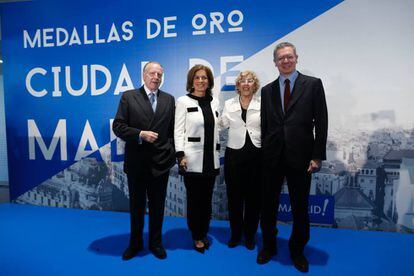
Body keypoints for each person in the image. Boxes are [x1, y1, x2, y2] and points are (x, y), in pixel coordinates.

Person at [257, 42, 328, 273]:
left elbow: (322, 122)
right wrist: (265, 152)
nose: (285, 61)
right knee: (268, 206)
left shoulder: (313, 85)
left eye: (289, 57)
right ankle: (268, 246)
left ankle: (297, 250)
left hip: (302, 157)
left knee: (300, 207)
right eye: (281, 58)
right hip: (272, 158)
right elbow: (266, 125)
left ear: (296, 58)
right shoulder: (267, 90)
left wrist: (317, 156)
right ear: (275, 62)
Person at [113, 61, 176, 261]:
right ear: (144, 75)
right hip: (137, 163)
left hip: (161, 163)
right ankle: (135, 243)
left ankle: (156, 243)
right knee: (137, 207)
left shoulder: (169, 99)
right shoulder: (129, 97)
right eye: (152, 73)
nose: (156, 77)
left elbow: (174, 131)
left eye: (159, 74)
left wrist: (171, 153)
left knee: (158, 207)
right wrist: (140, 134)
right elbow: (118, 126)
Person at [174, 64, 220, 254]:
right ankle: (196, 235)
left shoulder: (215, 101)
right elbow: (178, 130)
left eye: (205, 77)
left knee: (207, 200)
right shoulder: (183, 101)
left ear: (209, 81)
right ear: (191, 81)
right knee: (194, 200)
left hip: (212, 159)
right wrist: (180, 155)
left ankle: (204, 231)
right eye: (197, 77)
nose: (201, 81)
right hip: (191, 160)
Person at [220, 71, 261, 250]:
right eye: (242, 81)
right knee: (234, 199)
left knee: (254, 199)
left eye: (249, 81)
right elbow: (222, 124)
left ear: (255, 85)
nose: (246, 84)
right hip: (234, 156)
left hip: (257, 155)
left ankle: (250, 236)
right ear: (237, 86)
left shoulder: (263, 104)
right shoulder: (229, 104)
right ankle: (236, 234)